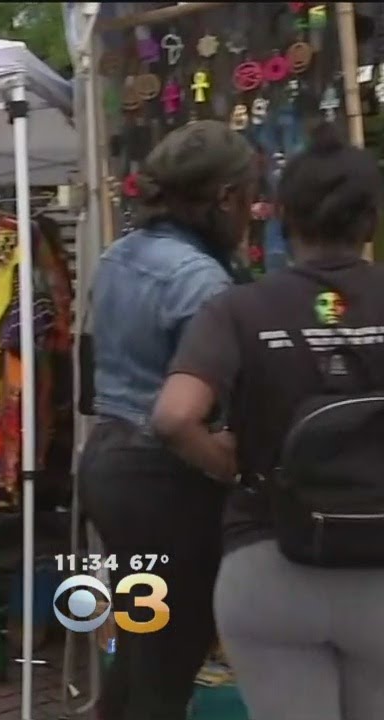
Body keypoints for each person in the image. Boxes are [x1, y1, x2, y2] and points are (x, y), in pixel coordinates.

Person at [152, 125, 384, 720]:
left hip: (270, 561)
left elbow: (175, 415)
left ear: (281, 216)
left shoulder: (238, 308)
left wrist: (225, 462)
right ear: (370, 219)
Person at [78, 120, 257, 720]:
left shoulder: (119, 254)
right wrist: (225, 464)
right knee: (168, 656)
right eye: (248, 196)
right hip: (164, 479)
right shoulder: (202, 279)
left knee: (140, 637)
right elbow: (184, 415)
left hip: (109, 464)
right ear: (226, 197)